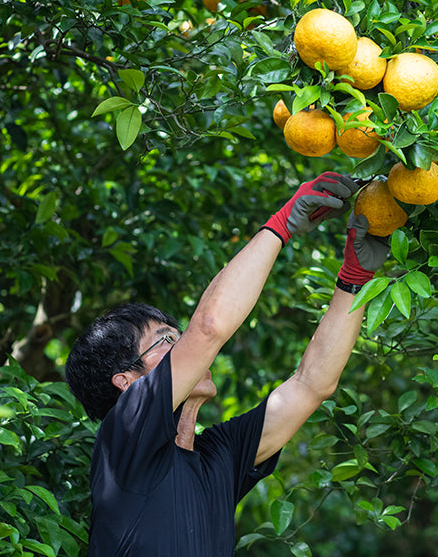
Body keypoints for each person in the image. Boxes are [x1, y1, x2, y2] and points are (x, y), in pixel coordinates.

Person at [64, 172, 390, 556]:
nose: (184, 346)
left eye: (178, 335)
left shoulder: (219, 456)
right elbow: (209, 327)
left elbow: (312, 384)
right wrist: (281, 223)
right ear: (127, 382)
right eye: (167, 340)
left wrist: (356, 278)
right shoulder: (125, 435)